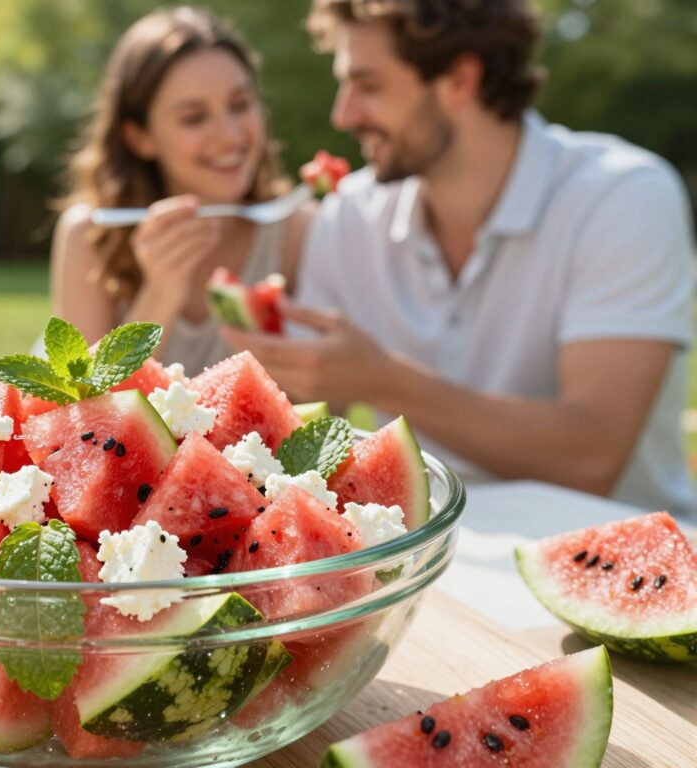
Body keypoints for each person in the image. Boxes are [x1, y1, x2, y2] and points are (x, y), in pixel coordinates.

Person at [222, 0, 696, 517]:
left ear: (459, 79)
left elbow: (593, 455)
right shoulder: (348, 218)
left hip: (620, 552)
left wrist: (381, 378)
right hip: (432, 559)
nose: (344, 114)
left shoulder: (623, 196)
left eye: (369, 85)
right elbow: (298, 450)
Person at [49, 6, 314, 375]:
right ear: (139, 137)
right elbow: (87, 412)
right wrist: (161, 291)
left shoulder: (297, 229)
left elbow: (324, 410)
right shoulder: (89, 234)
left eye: (240, 105)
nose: (231, 136)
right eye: (194, 118)